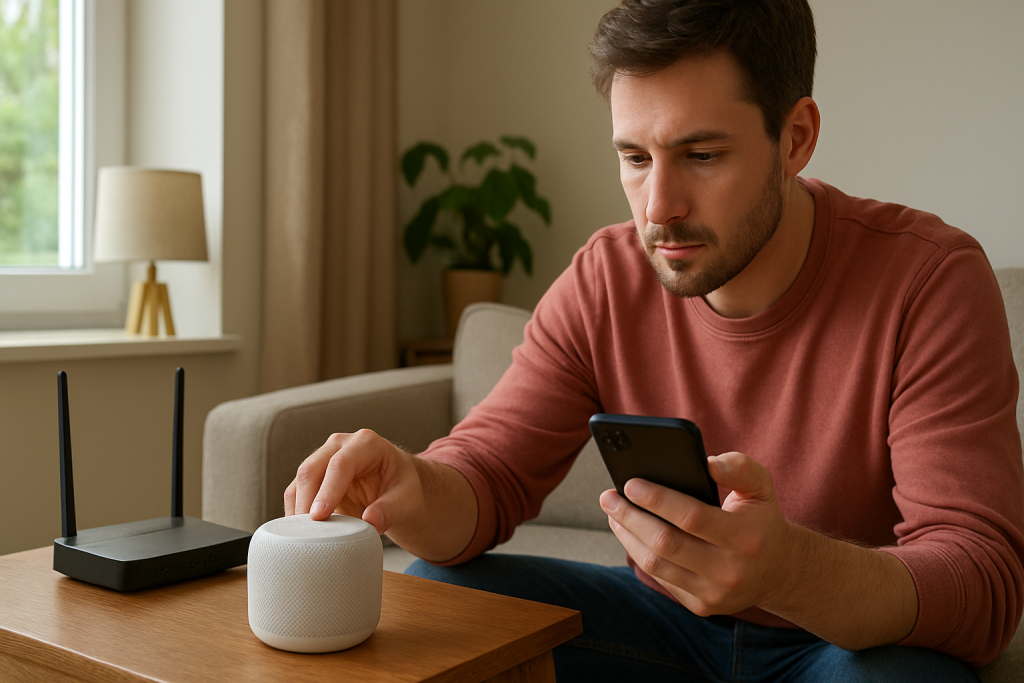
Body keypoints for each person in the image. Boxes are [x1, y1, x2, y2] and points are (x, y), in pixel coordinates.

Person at [284, 1, 1024, 680]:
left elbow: (983, 582)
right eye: (635, 158)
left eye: (702, 155)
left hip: (843, 644)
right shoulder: (606, 275)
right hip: (657, 626)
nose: (658, 209)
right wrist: (412, 489)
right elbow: (486, 475)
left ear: (794, 138)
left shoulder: (930, 279)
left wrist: (789, 570)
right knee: (442, 593)